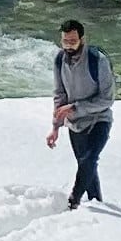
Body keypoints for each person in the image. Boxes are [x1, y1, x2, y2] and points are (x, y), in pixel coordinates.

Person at [46, 19, 115, 207]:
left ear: (82, 39)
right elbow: (59, 95)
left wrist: (76, 107)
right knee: (87, 167)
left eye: (72, 41)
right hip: (75, 123)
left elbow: (107, 99)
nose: (68, 46)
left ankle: (73, 200)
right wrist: (55, 127)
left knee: (89, 159)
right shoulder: (59, 60)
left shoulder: (97, 60)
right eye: (65, 41)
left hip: (99, 119)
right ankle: (96, 204)